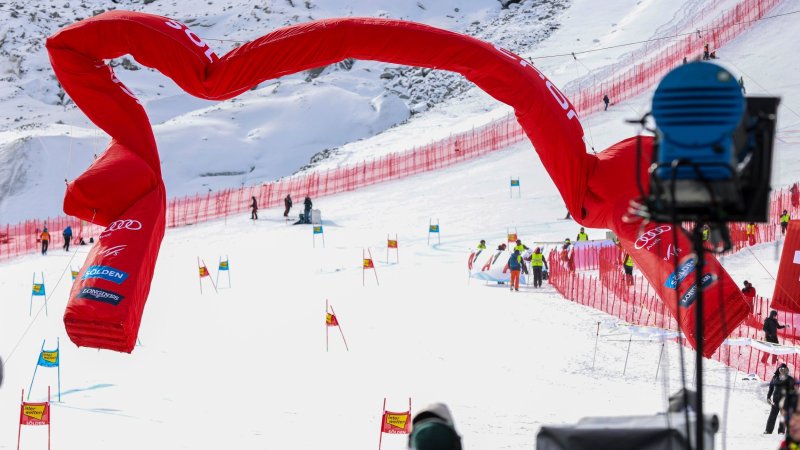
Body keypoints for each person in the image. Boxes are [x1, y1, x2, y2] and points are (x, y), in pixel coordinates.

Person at [766, 364, 795, 434]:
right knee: (772, 416)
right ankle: (768, 430)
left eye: (784, 370)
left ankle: (781, 431)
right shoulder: (775, 378)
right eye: (781, 369)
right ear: (778, 370)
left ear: (787, 370)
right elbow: (771, 388)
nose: (782, 371)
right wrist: (768, 397)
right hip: (775, 401)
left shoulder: (790, 379)